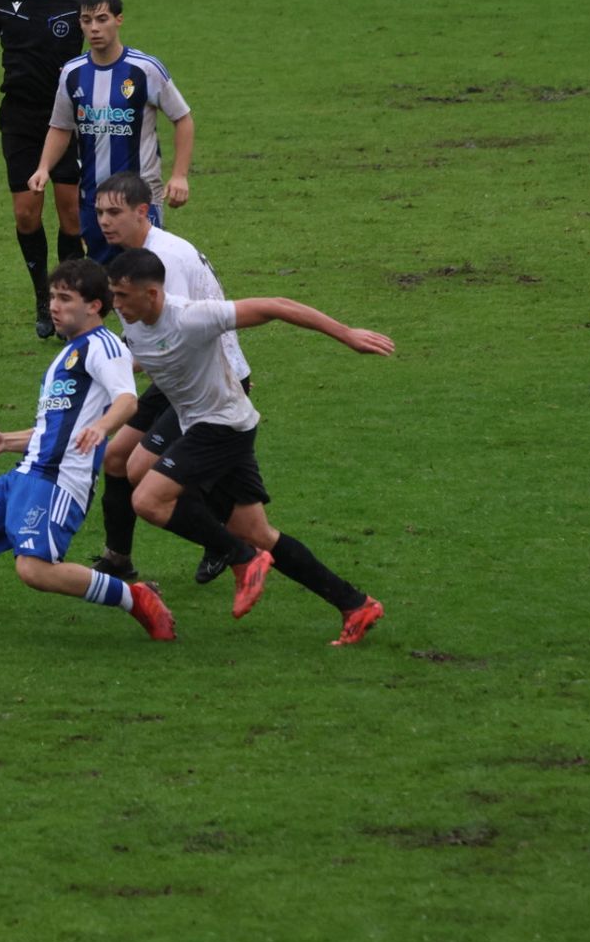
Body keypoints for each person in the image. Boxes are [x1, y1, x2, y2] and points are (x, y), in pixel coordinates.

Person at [105, 248, 394, 645]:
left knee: (147, 499)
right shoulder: (132, 318)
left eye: (122, 295)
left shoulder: (192, 316)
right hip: (217, 425)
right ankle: (355, 605)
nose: (116, 304)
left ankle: (241, 558)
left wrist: (347, 335)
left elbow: (275, 305)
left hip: (220, 427)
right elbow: (143, 353)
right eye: (113, 295)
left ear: (152, 293)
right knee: (259, 532)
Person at [0, 258, 176, 646]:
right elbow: (54, 429)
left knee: (34, 569)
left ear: (94, 305)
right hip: (25, 473)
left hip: (58, 481)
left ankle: (135, 598)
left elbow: (127, 400)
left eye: (65, 299)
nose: (54, 306)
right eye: (52, 297)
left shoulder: (104, 347)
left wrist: (102, 427)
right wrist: (6, 441)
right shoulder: (69, 352)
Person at [84, 172, 262, 593]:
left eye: (114, 212)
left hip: (204, 380)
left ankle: (226, 544)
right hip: (173, 377)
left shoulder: (165, 260)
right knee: (116, 458)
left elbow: (170, 339)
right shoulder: (139, 255)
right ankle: (118, 557)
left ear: (142, 212)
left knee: (142, 469)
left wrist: (110, 373)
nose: (104, 221)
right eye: (99, 212)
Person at [0, 0, 87, 339]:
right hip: (20, 118)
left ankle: (68, 300)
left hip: (68, 116)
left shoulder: (76, 3)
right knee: (26, 214)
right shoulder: (3, 0)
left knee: (71, 214)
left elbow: (98, 46)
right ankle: (44, 296)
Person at [28, 0, 195, 263]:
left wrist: (179, 175)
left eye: (102, 19)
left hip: (141, 195)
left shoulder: (145, 69)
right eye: (87, 20)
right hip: (94, 199)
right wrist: (44, 168)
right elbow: (61, 126)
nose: (94, 28)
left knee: (141, 273)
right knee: (102, 277)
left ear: (119, 20)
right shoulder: (72, 73)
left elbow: (183, 118)